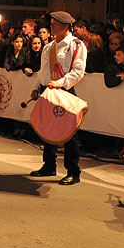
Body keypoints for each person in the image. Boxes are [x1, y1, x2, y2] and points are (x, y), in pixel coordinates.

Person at [29, 11, 86, 186]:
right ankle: (49, 165)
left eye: (54, 24)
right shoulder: (48, 47)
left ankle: (73, 171)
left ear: (65, 26)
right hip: (48, 90)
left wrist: (60, 83)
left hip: (65, 90)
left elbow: (78, 71)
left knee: (70, 132)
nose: (51, 27)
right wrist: (37, 87)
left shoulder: (76, 45)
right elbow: (43, 71)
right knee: (48, 127)